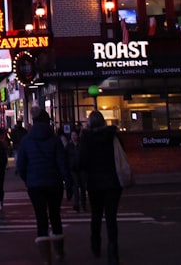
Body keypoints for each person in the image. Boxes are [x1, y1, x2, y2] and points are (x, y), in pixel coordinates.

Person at [16, 107, 69, 264]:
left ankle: (46, 259)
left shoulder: (26, 140)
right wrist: (67, 180)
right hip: (54, 183)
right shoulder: (54, 140)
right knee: (55, 215)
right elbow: (62, 163)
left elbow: (21, 166)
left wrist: (28, 180)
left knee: (41, 217)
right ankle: (59, 252)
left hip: (35, 184)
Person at [79, 110, 124, 265]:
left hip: (95, 183)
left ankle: (96, 244)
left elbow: (81, 161)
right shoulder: (113, 136)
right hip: (113, 182)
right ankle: (113, 249)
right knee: (111, 217)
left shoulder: (87, 139)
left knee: (96, 215)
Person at [67, 129, 88, 212]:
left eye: (75, 135)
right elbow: (66, 157)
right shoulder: (69, 146)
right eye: (72, 135)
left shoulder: (81, 145)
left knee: (83, 187)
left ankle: (83, 204)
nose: (73, 137)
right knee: (75, 187)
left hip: (81, 168)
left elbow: (85, 156)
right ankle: (77, 204)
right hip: (73, 169)